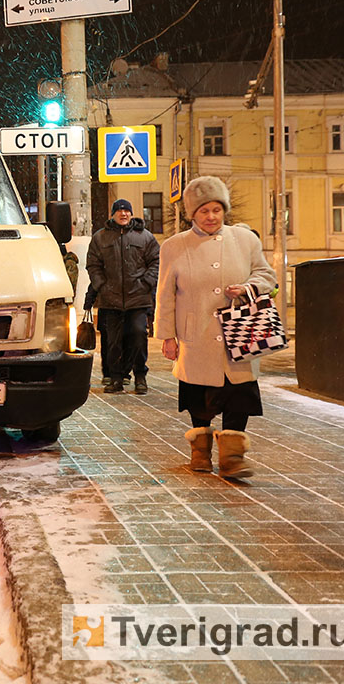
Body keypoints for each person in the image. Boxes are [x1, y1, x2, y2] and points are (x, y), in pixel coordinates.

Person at [154, 176, 275, 478]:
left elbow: (266, 275)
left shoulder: (246, 240)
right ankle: (200, 452)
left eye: (216, 210)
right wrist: (167, 336)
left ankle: (233, 457)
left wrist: (248, 287)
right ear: (191, 214)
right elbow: (165, 294)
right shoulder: (174, 246)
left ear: (225, 211)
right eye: (204, 211)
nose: (211, 217)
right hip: (197, 335)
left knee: (240, 394)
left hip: (240, 332)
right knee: (199, 396)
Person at [86, 198, 160, 395]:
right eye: (119, 211)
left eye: (126, 210)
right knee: (113, 341)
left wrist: (145, 283)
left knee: (138, 335)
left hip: (138, 298)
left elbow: (156, 262)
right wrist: (102, 285)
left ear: (131, 213)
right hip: (111, 300)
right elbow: (93, 265)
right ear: (113, 214)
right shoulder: (100, 238)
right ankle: (116, 378)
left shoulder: (145, 237)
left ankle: (140, 376)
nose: (123, 214)